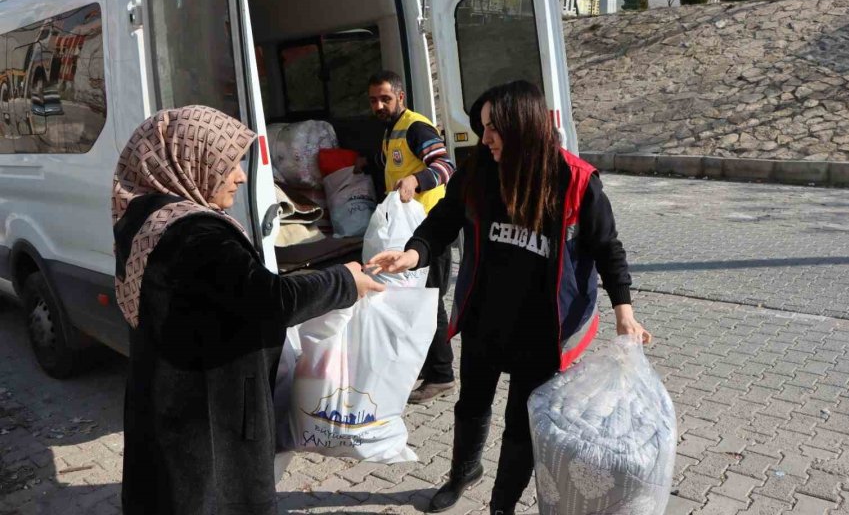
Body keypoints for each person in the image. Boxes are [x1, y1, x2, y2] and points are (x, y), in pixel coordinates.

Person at [368, 81, 651, 515]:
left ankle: (502, 505)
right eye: (483, 129)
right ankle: (463, 472)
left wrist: (624, 314)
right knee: (472, 403)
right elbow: (442, 219)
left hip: (542, 330)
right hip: (486, 317)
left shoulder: (574, 180)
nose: (485, 140)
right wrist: (413, 253)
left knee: (521, 425)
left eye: (493, 130)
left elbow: (607, 248)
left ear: (522, 126)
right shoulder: (480, 169)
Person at [112, 105, 383, 515]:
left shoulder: (146, 216)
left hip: (166, 405)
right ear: (193, 162)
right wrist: (344, 281)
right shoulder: (197, 234)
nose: (240, 175)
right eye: (228, 165)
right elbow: (270, 300)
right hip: (207, 425)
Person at [366, 70, 457, 404]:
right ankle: (427, 364)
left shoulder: (416, 126)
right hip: (410, 232)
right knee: (416, 300)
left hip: (431, 230)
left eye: (385, 98)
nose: (379, 105)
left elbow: (445, 166)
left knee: (429, 301)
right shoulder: (391, 131)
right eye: (374, 99)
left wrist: (417, 181)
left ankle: (443, 375)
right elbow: (390, 163)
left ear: (400, 98)